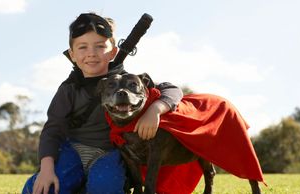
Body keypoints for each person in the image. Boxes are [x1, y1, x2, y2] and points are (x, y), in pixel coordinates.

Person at [22, 12, 183, 194]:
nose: (91, 53)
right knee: (41, 189)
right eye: (83, 47)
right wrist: (46, 169)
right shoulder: (69, 89)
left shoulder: (129, 82)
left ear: (113, 52)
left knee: (105, 188)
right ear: (72, 55)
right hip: (72, 149)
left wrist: (155, 109)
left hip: (110, 153)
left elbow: (172, 89)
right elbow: (52, 129)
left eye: (100, 46)